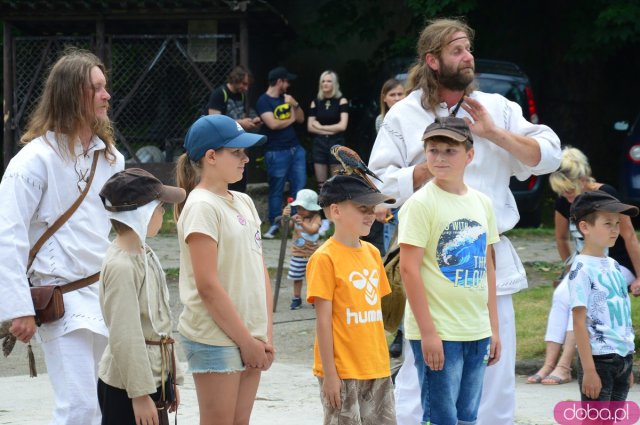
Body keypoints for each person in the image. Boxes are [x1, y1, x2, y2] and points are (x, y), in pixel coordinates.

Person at [367, 18, 561, 425]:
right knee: (424, 368)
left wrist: (492, 133)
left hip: (487, 256)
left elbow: (549, 155)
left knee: (493, 373)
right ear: (433, 60)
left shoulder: (497, 107)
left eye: (468, 48)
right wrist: (430, 167)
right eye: (458, 50)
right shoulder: (403, 115)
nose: (468, 56)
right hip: (425, 256)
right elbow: (377, 187)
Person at [0, 48, 124, 425]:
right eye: (96, 88)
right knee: (78, 408)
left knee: (105, 408)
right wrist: (17, 307)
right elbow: (9, 236)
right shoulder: (32, 161)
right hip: (60, 302)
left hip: (105, 296)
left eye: (105, 87)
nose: (106, 95)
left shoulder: (111, 159)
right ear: (72, 94)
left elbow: (124, 229)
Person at [399, 116, 501, 425]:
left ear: (469, 155)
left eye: (449, 150)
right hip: (438, 332)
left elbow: (488, 268)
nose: (440, 158)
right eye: (433, 150)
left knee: (467, 415)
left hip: (477, 330)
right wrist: (428, 333)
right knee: (441, 418)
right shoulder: (420, 204)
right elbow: (408, 270)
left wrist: (494, 328)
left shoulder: (482, 203)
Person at [174, 114, 273, 425]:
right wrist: (246, 341)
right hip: (215, 336)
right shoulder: (201, 205)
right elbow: (207, 285)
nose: (245, 158)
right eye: (237, 152)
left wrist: (265, 335)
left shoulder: (243, 200)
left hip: (250, 335)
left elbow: (261, 271)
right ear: (211, 156)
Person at [527, 146, 640, 385]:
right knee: (562, 295)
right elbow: (560, 238)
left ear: (582, 178)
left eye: (570, 191)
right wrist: (571, 268)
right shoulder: (563, 201)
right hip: (586, 265)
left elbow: (630, 236)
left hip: (617, 266)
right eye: (563, 194)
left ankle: (564, 365)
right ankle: (548, 363)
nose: (568, 198)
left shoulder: (607, 195)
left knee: (581, 297)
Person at [97, 168, 186, 425]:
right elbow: (125, 335)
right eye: (160, 208)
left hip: (152, 378)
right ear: (141, 214)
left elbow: (160, 323)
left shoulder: (144, 252)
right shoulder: (122, 266)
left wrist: (170, 380)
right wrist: (139, 394)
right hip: (128, 386)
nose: (164, 213)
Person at [306, 173, 397, 424]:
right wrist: (331, 375)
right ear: (336, 210)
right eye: (362, 208)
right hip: (343, 370)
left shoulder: (373, 253)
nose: (370, 214)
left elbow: (373, 314)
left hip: (376, 366)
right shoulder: (324, 258)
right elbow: (323, 322)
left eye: (371, 208)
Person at [567, 190, 637, 401]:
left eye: (617, 223)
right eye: (607, 224)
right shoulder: (581, 269)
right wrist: (589, 370)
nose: (615, 230)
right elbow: (579, 322)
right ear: (585, 227)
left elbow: (622, 314)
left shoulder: (614, 265)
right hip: (599, 360)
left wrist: (627, 364)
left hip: (623, 358)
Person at [256, 66, 306, 239]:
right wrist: (291, 118)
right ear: (279, 81)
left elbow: (301, 119)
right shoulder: (263, 101)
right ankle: (276, 224)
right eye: (286, 81)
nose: (288, 84)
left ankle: (293, 223)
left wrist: (295, 104)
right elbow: (273, 124)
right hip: (276, 151)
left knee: (298, 187)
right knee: (276, 189)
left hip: (295, 149)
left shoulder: (288, 99)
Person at [207, 65, 262, 193]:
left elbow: (239, 116)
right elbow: (214, 120)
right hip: (222, 145)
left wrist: (250, 122)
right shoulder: (220, 94)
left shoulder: (241, 96)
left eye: (248, 85)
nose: (246, 88)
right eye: (244, 83)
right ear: (235, 79)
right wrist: (242, 122)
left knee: (240, 181)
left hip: (238, 144)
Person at [308, 70, 349, 237]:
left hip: (336, 144)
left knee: (336, 182)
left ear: (334, 83)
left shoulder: (341, 100)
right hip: (319, 144)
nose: (326, 84)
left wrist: (321, 127)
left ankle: (337, 218)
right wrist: (321, 128)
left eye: (329, 81)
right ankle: (324, 218)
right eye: (323, 81)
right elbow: (310, 126)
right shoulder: (315, 102)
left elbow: (342, 126)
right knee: (322, 184)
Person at [282, 189, 322, 310]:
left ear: (313, 208)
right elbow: (286, 228)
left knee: (313, 278)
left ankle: (314, 298)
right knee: (297, 277)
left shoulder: (316, 218)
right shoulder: (296, 217)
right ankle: (296, 298)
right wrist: (285, 217)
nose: (301, 211)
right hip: (298, 254)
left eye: (304, 208)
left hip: (312, 255)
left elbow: (313, 230)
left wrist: (303, 224)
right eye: (299, 208)